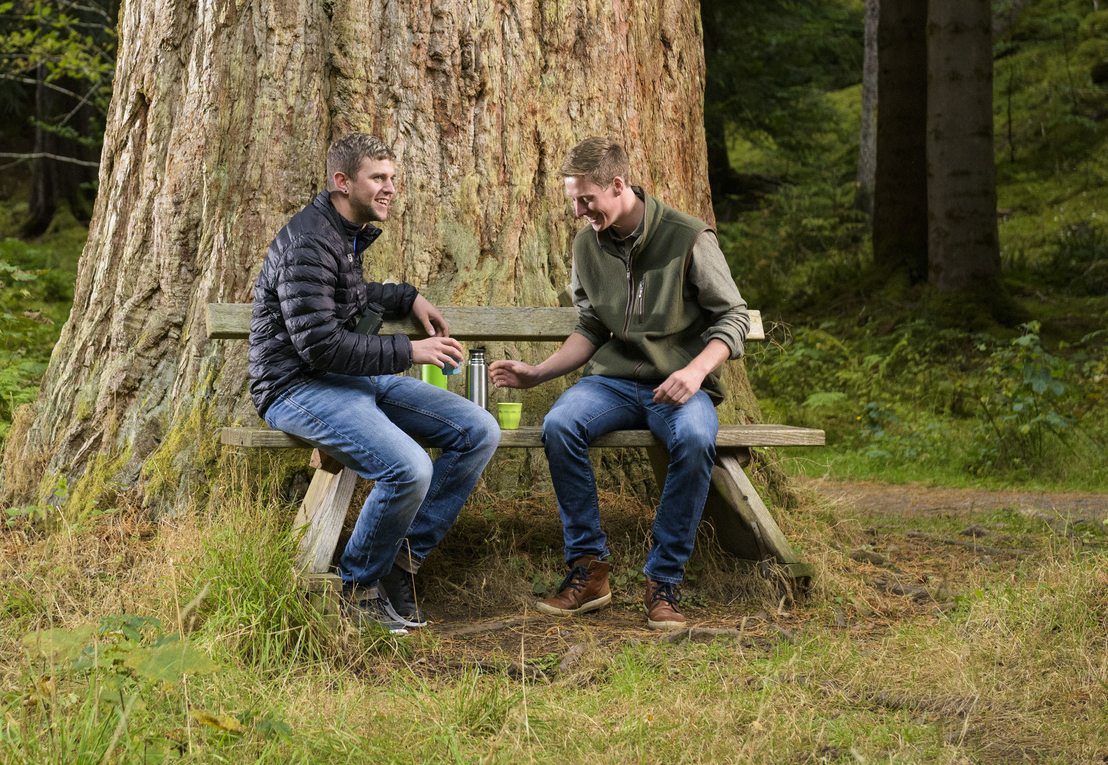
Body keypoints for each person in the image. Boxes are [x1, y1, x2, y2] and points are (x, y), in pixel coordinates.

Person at [488, 137, 750, 630]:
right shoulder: (587, 244)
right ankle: (589, 571)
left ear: (617, 185)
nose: (578, 210)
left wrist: (693, 372)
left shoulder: (688, 236)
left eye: (586, 199)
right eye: (572, 199)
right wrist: (539, 372)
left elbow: (733, 317)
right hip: (611, 384)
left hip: (679, 387)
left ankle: (664, 581)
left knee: (695, 438)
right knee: (561, 423)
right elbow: (590, 327)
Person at [249, 132, 501, 634]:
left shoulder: (340, 234)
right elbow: (319, 344)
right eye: (379, 178)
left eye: (393, 178)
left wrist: (406, 297)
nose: (390, 188)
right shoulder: (308, 242)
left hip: (347, 379)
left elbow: (349, 294)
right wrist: (410, 351)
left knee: (479, 430)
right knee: (408, 468)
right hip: (297, 387)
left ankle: (398, 566)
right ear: (343, 182)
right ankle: (357, 590)